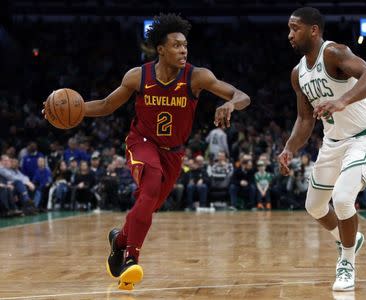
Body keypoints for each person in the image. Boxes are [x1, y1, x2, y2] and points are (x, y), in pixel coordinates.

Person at [43, 13, 250, 290]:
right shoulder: (138, 76)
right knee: (150, 184)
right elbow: (106, 105)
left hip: (174, 153)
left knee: (148, 205)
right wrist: (74, 113)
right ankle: (131, 259)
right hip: (142, 142)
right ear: (160, 49)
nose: (183, 50)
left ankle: (119, 240)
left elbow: (242, 95)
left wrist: (230, 105)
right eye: (176, 45)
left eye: (185, 45)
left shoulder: (197, 76)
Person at [278, 7, 366, 291]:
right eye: (289, 29)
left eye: (295, 28)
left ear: (314, 30)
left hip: (364, 137)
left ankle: (347, 262)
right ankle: (348, 238)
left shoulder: (334, 53)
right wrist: (289, 148)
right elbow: (304, 119)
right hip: (333, 143)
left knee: (342, 199)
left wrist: (343, 100)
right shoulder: (297, 73)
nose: (290, 34)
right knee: (313, 206)